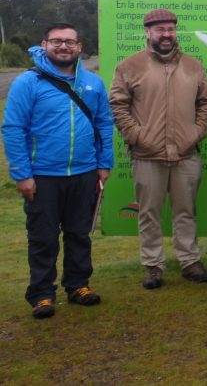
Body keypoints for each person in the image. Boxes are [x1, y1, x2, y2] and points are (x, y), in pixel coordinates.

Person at [2, 22, 114, 319]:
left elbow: (104, 123)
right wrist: (22, 174)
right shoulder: (28, 83)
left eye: (70, 42)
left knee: (79, 233)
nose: (64, 46)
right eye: (57, 41)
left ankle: (78, 286)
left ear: (79, 47)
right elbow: (13, 129)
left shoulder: (93, 83)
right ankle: (41, 294)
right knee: (43, 237)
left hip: (84, 173)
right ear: (45, 44)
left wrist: (104, 164)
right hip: (42, 176)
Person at [109, 9, 207, 289]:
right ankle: (153, 265)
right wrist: (136, 135)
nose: (166, 34)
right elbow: (118, 105)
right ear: (148, 32)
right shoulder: (128, 67)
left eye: (170, 29)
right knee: (149, 213)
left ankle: (189, 260)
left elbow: (206, 102)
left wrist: (197, 132)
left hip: (186, 154)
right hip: (147, 156)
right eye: (160, 30)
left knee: (186, 211)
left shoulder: (193, 66)